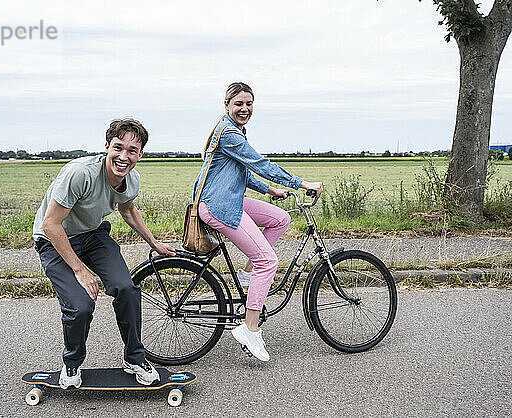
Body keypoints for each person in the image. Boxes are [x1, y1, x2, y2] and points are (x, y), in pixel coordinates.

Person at [33, 118, 175, 388]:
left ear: (140, 155)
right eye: (118, 147)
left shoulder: (131, 179)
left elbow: (128, 209)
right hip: (54, 239)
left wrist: (154, 243)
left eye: (132, 151)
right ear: (107, 146)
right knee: (80, 305)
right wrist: (80, 270)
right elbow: (50, 224)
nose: (123, 156)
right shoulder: (81, 173)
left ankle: (135, 358)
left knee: (126, 288)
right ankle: (72, 364)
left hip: (93, 235)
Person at [193, 82, 323, 362]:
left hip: (227, 198)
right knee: (269, 261)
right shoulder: (228, 133)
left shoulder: (235, 130)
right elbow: (261, 165)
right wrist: (301, 183)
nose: (245, 109)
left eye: (249, 104)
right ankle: (249, 328)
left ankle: (248, 276)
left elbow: (240, 172)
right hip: (219, 206)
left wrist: (270, 190)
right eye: (239, 104)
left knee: (280, 218)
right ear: (226, 105)